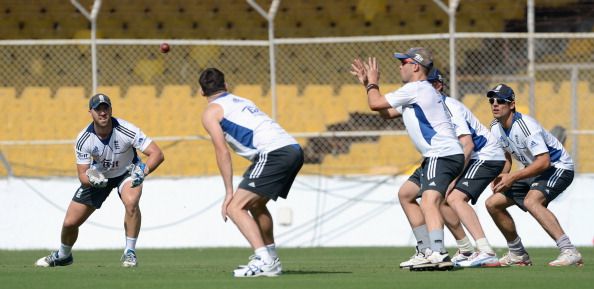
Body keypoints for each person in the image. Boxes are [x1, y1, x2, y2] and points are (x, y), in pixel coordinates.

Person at [350, 48, 465, 271]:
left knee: (430, 200)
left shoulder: (416, 88)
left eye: (403, 62)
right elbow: (386, 113)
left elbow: (375, 104)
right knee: (406, 194)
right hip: (439, 155)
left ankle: (438, 252)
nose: (399, 66)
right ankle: (425, 251)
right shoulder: (417, 92)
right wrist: (368, 85)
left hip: (441, 154)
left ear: (415, 66)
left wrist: (373, 82)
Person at [35, 93, 165, 268]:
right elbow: (82, 174)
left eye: (106, 108)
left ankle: (130, 253)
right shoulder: (83, 139)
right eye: (98, 109)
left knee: (131, 201)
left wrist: (143, 170)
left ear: (111, 110)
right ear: (91, 112)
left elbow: (157, 153)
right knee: (70, 222)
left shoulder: (126, 129)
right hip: (99, 176)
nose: (102, 113)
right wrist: (92, 180)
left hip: (127, 172)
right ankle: (64, 255)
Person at [394, 68, 505, 269]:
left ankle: (486, 250)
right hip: (456, 156)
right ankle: (464, 250)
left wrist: (453, 177)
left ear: (438, 86)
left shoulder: (448, 107)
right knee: (411, 194)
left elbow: (468, 144)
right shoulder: (426, 107)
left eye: (427, 85)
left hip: (485, 155)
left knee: (453, 197)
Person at [200, 68, 304, 277]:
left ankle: (264, 259)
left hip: (274, 153)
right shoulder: (242, 101)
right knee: (256, 204)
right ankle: (271, 258)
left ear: (201, 92)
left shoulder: (211, 112)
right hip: (293, 149)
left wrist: (229, 192)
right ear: (226, 86)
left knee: (234, 207)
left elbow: (222, 151)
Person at [485, 84, 583, 267]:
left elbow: (544, 161)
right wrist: (502, 175)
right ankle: (518, 253)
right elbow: (507, 156)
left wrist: (513, 177)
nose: (495, 104)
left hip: (558, 167)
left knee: (532, 201)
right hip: (534, 169)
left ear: (512, 104)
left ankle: (569, 251)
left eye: (500, 101)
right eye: (492, 101)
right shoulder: (495, 127)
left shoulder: (526, 126)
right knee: (492, 204)